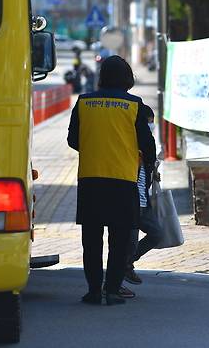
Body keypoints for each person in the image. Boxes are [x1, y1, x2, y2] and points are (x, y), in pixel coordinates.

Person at [67, 55, 156, 306]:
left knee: (91, 240)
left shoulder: (84, 102)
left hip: (90, 179)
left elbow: (73, 140)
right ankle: (113, 291)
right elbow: (148, 147)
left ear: (102, 76)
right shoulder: (134, 105)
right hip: (123, 179)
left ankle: (93, 291)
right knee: (118, 241)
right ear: (127, 77)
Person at [124, 105, 162, 286]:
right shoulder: (127, 144)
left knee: (156, 233)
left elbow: (146, 170)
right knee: (128, 242)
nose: (151, 127)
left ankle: (127, 263)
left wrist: (153, 171)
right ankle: (123, 270)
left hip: (143, 201)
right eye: (148, 124)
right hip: (130, 202)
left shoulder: (148, 146)